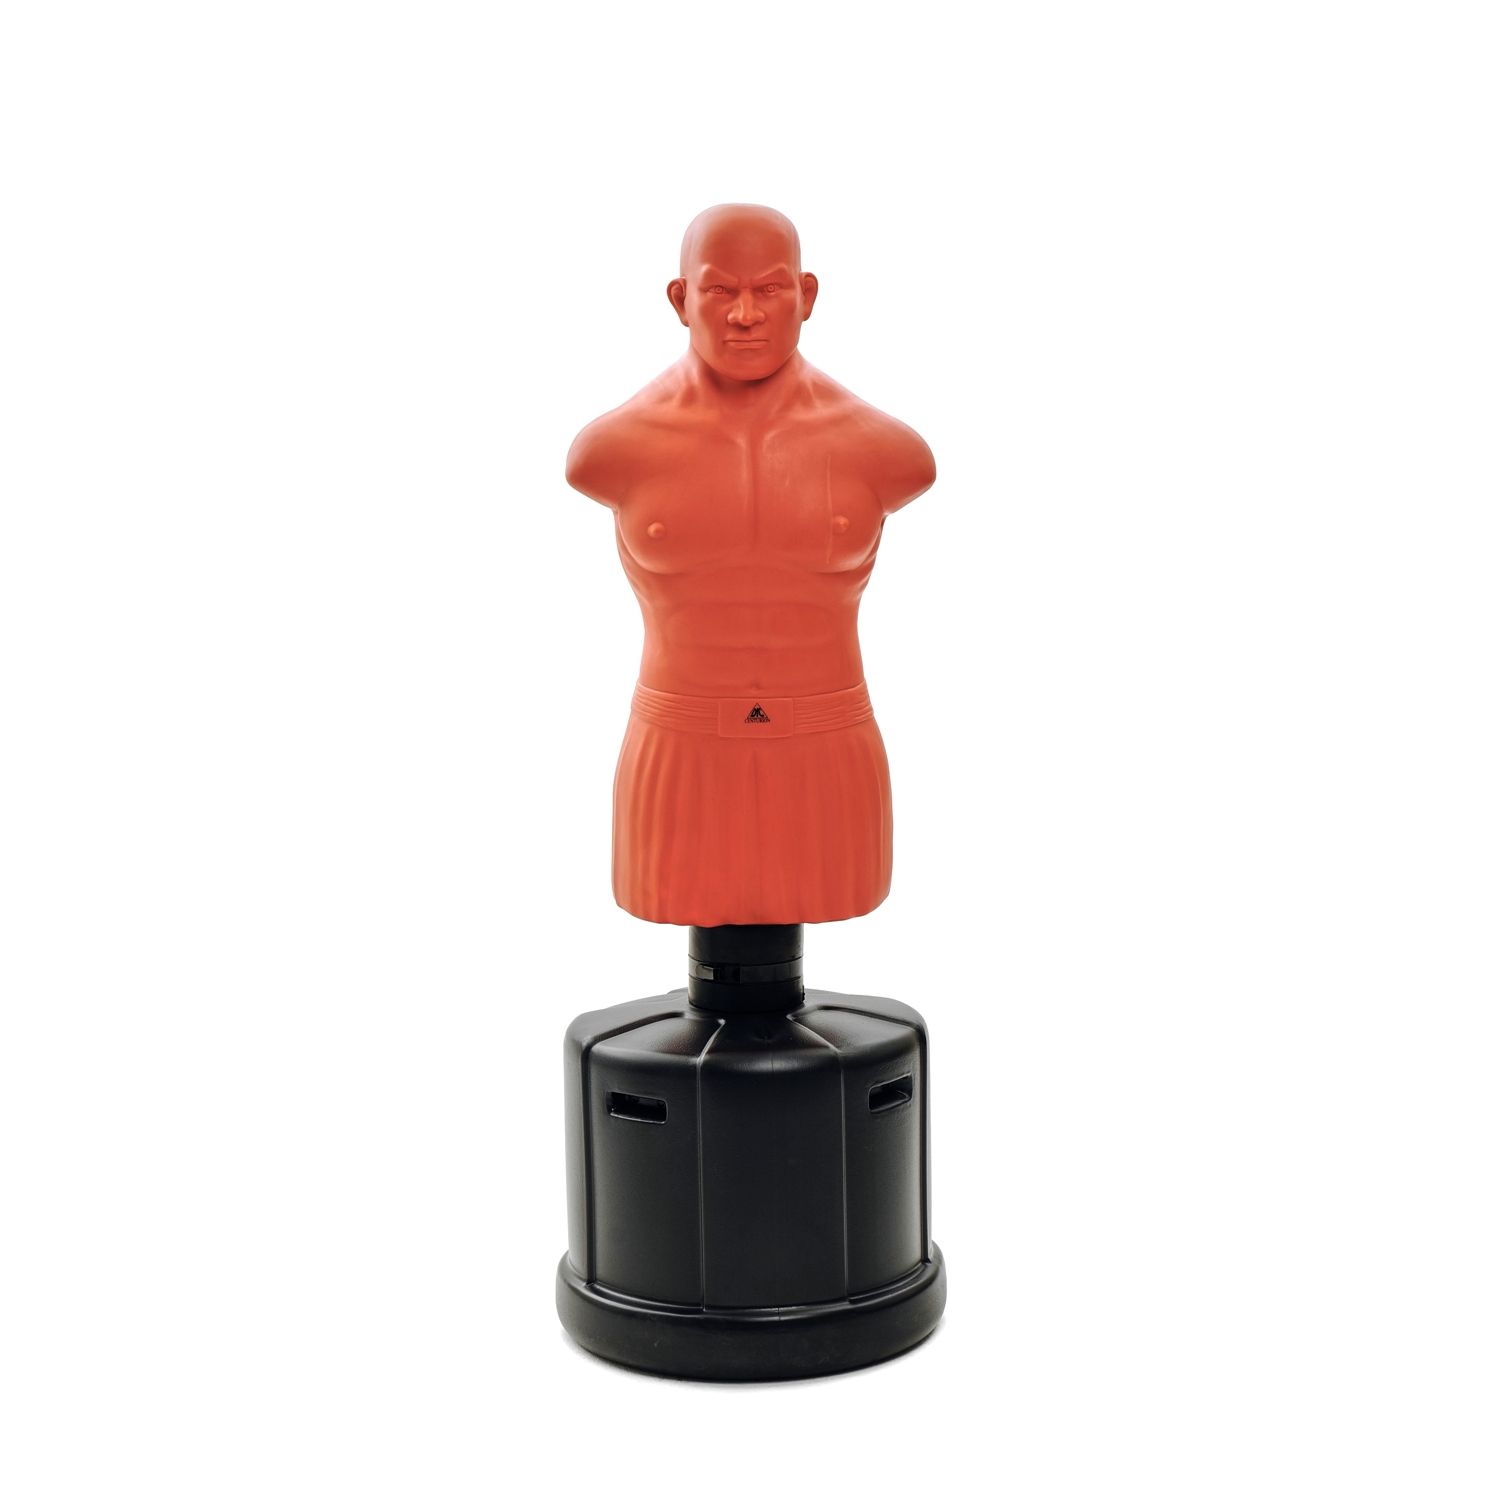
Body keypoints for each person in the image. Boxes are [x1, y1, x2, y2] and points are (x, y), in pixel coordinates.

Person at [566, 204, 935, 926]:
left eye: (768, 289)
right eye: (719, 290)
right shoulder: (612, 450)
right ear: (680, 300)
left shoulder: (886, 451)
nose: (744, 315)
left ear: (807, 294)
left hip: (827, 748)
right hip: (678, 749)